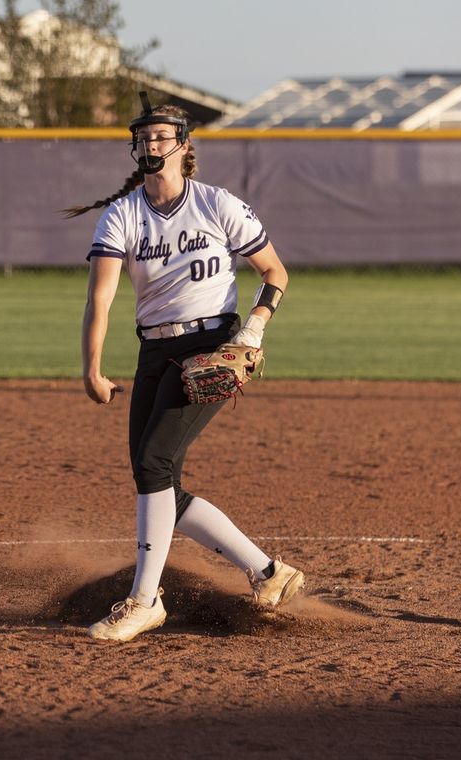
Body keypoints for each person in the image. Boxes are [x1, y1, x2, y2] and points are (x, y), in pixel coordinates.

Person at [64, 92, 305, 642]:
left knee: (153, 462)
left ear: (183, 146)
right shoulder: (123, 214)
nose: (150, 144)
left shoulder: (218, 204)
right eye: (143, 137)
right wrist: (92, 369)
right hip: (154, 351)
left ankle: (144, 601)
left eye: (161, 137)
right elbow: (99, 299)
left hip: (214, 346)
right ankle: (269, 573)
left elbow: (275, 272)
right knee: (159, 483)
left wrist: (254, 329)